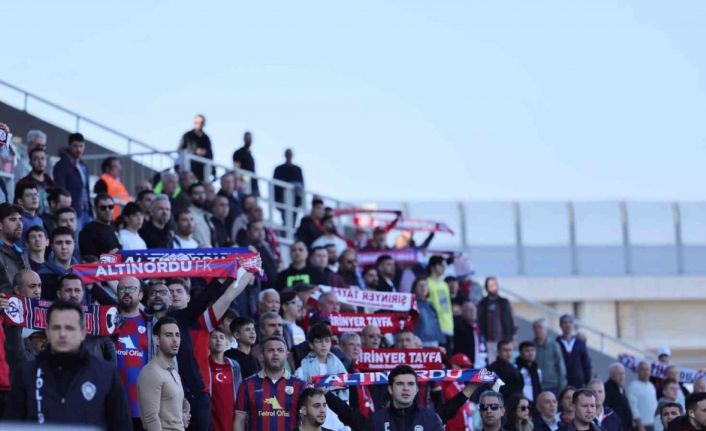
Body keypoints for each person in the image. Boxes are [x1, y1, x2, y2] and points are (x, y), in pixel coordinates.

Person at [5, 300, 131, 429]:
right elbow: (12, 426)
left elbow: (121, 426)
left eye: (70, 328)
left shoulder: (106, 374)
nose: (62, 334)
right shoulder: (27, 374)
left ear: (83, 333)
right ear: (47, 331)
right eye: (56, 327)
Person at [325, 363, 483, 431]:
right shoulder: (377, 421)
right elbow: (349, 415)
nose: (406, 388)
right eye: (400, 384)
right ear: (390, 389)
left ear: (416, 389)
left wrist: (471, 388)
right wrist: (326, 394)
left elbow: (450, 408)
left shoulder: (430, 419)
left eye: (410, 384)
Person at [234, 335, 308, 431]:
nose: (275, 353)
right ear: (261, 355)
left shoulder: (300, 385)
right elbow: (240, 420)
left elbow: (307, 420)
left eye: (280, 350)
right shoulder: (247, 385)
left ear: (287, 355)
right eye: (270, 350)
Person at [294, 323, 348, 430]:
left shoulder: (340, 368)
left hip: (337, 421)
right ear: (311, 345)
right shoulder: (302, 371)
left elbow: (345, 396)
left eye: (327, 341)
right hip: (313, 422)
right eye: (319, 341)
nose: (324, 345)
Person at [113, 276, 150, 431]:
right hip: (113, 405)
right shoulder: (107, 323)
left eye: (131, 288)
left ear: (140, 295)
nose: (126, 292)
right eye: (122, 289)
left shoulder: (151, 324)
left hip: (143, 407)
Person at [137, 316, 185, 431]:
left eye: (177, 335)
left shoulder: (173, 371)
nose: (175, 340)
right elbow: (151, 420)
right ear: (157, 340)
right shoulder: (151, 373)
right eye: (168, 335)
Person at [56, 273, 117, 361]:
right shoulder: (46, 317)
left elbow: (110, 351)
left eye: (77, 290)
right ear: (59, 293)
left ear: (83, 293)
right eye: (68, 290)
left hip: (93, 368)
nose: (73, 294)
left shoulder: (97, 317)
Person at [53, 133, 92, 228]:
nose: (78, 149)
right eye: (75, 146)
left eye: (81, 146)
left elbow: (86, 189)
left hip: (86, 210)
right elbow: (61, 189)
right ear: (70, 146)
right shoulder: (62, 165)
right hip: (72, 211)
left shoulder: (84, 166)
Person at [209, 327, 243, 431]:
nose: (218, 340)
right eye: (214, 337)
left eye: (221, 337)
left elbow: (240, 392)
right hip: (212, 418)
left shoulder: (234, 365)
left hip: (232, 417)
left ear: (226, 342)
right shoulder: (205, 365)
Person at [477, 276, 517, 363]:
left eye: (494, 285)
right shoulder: (482, 303)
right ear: (486, 288)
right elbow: (479, 321)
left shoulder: (505, 302)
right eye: (490, 285)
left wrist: (513, 336)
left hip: (505, 339)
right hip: (489, 340)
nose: (493, 287)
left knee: (507, 362)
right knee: (492, 363)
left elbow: (512, 319)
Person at [38, 226, 77, 300]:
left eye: (68, 242)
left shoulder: (82, 273)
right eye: (59, 243)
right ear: (52, 246)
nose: (64, 247)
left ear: (74, 245)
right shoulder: (41, 275)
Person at [79, 193, 121, 258]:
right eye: (103, 208)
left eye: (110, 207)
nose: (107, 210)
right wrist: (108, 257)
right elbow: (88, 260)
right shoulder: (88, 231)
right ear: (95, 209)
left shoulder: (113, 227)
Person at [15, 145, 55, 214]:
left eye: (42, 158)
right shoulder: (22, 183)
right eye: (36, 159)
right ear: (30, 162)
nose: (40, 162)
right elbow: (17, 206)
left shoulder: (51, 183)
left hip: (49, 218)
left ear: (46, 161)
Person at [0, 202, 30, 294]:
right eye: (13, 219)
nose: (19, 224)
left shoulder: (23, 253)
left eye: (20, 219)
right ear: (0, 225)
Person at [556, 314, 592, 388]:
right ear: (560, 325)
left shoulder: (580, 343)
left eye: (570, 322)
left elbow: (586, 363)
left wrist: (588, 380)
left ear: (573, 325)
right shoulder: (556, 343)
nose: (568, 325)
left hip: (579, 382)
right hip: (562, 382)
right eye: (565, 322)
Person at [533, 318, 567, 395]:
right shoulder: (531, 347)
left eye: (540, 327)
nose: (537, 330)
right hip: (536, 386)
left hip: (552, 386)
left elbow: (560, 366)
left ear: (545, 329)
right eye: (535, 328)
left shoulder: (554, 345)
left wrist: (562, 387)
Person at [426, 255, 454, 346]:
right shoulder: (426, 283)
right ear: (432, 267)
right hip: (434, 326)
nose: (443, 268)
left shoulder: (444, 285)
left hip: (448, 325)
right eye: (441, 265)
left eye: (444, 266)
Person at [273, 148, 305, 227]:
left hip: (295, 201)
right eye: (288, 154)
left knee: (293, 220)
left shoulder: (297, 169)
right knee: (285, 219)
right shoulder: (279, 169)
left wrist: (301, 202)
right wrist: (276, 201)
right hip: (282, 199)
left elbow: (302, 186)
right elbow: (275, 186)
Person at [179, 114, 214, 182]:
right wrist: (195, 151)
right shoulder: (187, 136)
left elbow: (210, 155)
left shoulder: (206, 138)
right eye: (197, 123)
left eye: (201, 123)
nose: (199, 125)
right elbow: (180, 150)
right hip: (189, 168)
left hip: (203, 171)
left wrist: (213, 171)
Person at [454, 301, 489, 367]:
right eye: (469, 310)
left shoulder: (479, 327)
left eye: (474, 309)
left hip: (482, 364)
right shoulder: (459, 327)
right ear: (463, 312)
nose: (473, 312)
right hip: (468, 365)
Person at [412, 277, 444, 347]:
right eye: (420, 285)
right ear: (414, 289)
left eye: (425, 285)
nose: (423, 287)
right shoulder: (412, 304)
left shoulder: (430, 305)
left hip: (434, 341)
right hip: (420, 342)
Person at [629, 361, 658, 431]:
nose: (646, 372)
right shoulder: (633, 386)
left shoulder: (651, 386)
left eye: (648, 370)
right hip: (641, 427)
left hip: (652, 424)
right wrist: (640, 426)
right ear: (637, 371)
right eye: (643, 369)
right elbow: (633, 408)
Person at [604, 362, 634, 431]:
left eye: (623, 374)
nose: (622, 376)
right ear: (611, 375)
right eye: (619, 374)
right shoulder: (607, 388)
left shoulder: (621, 388)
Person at [16, 180, 44, 244]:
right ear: (20, 201)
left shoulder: (40, 220)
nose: (34, 198)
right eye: (29, 195)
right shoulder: (19, 221)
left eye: (36, 194)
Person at [187, 183, 214, 247]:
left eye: (203, 193)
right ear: (190, 196)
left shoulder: (207, 214)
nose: (201, 196)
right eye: (197, 193)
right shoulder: (189, 214)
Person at [232, 131, 259, 196]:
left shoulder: (250, 155)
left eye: (250, 138)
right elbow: (236, 169)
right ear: (244, 139)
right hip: (244, 183)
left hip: (253, 184)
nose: (249, 140)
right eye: (248, 138)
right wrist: (242, 180)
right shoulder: (238, 153)